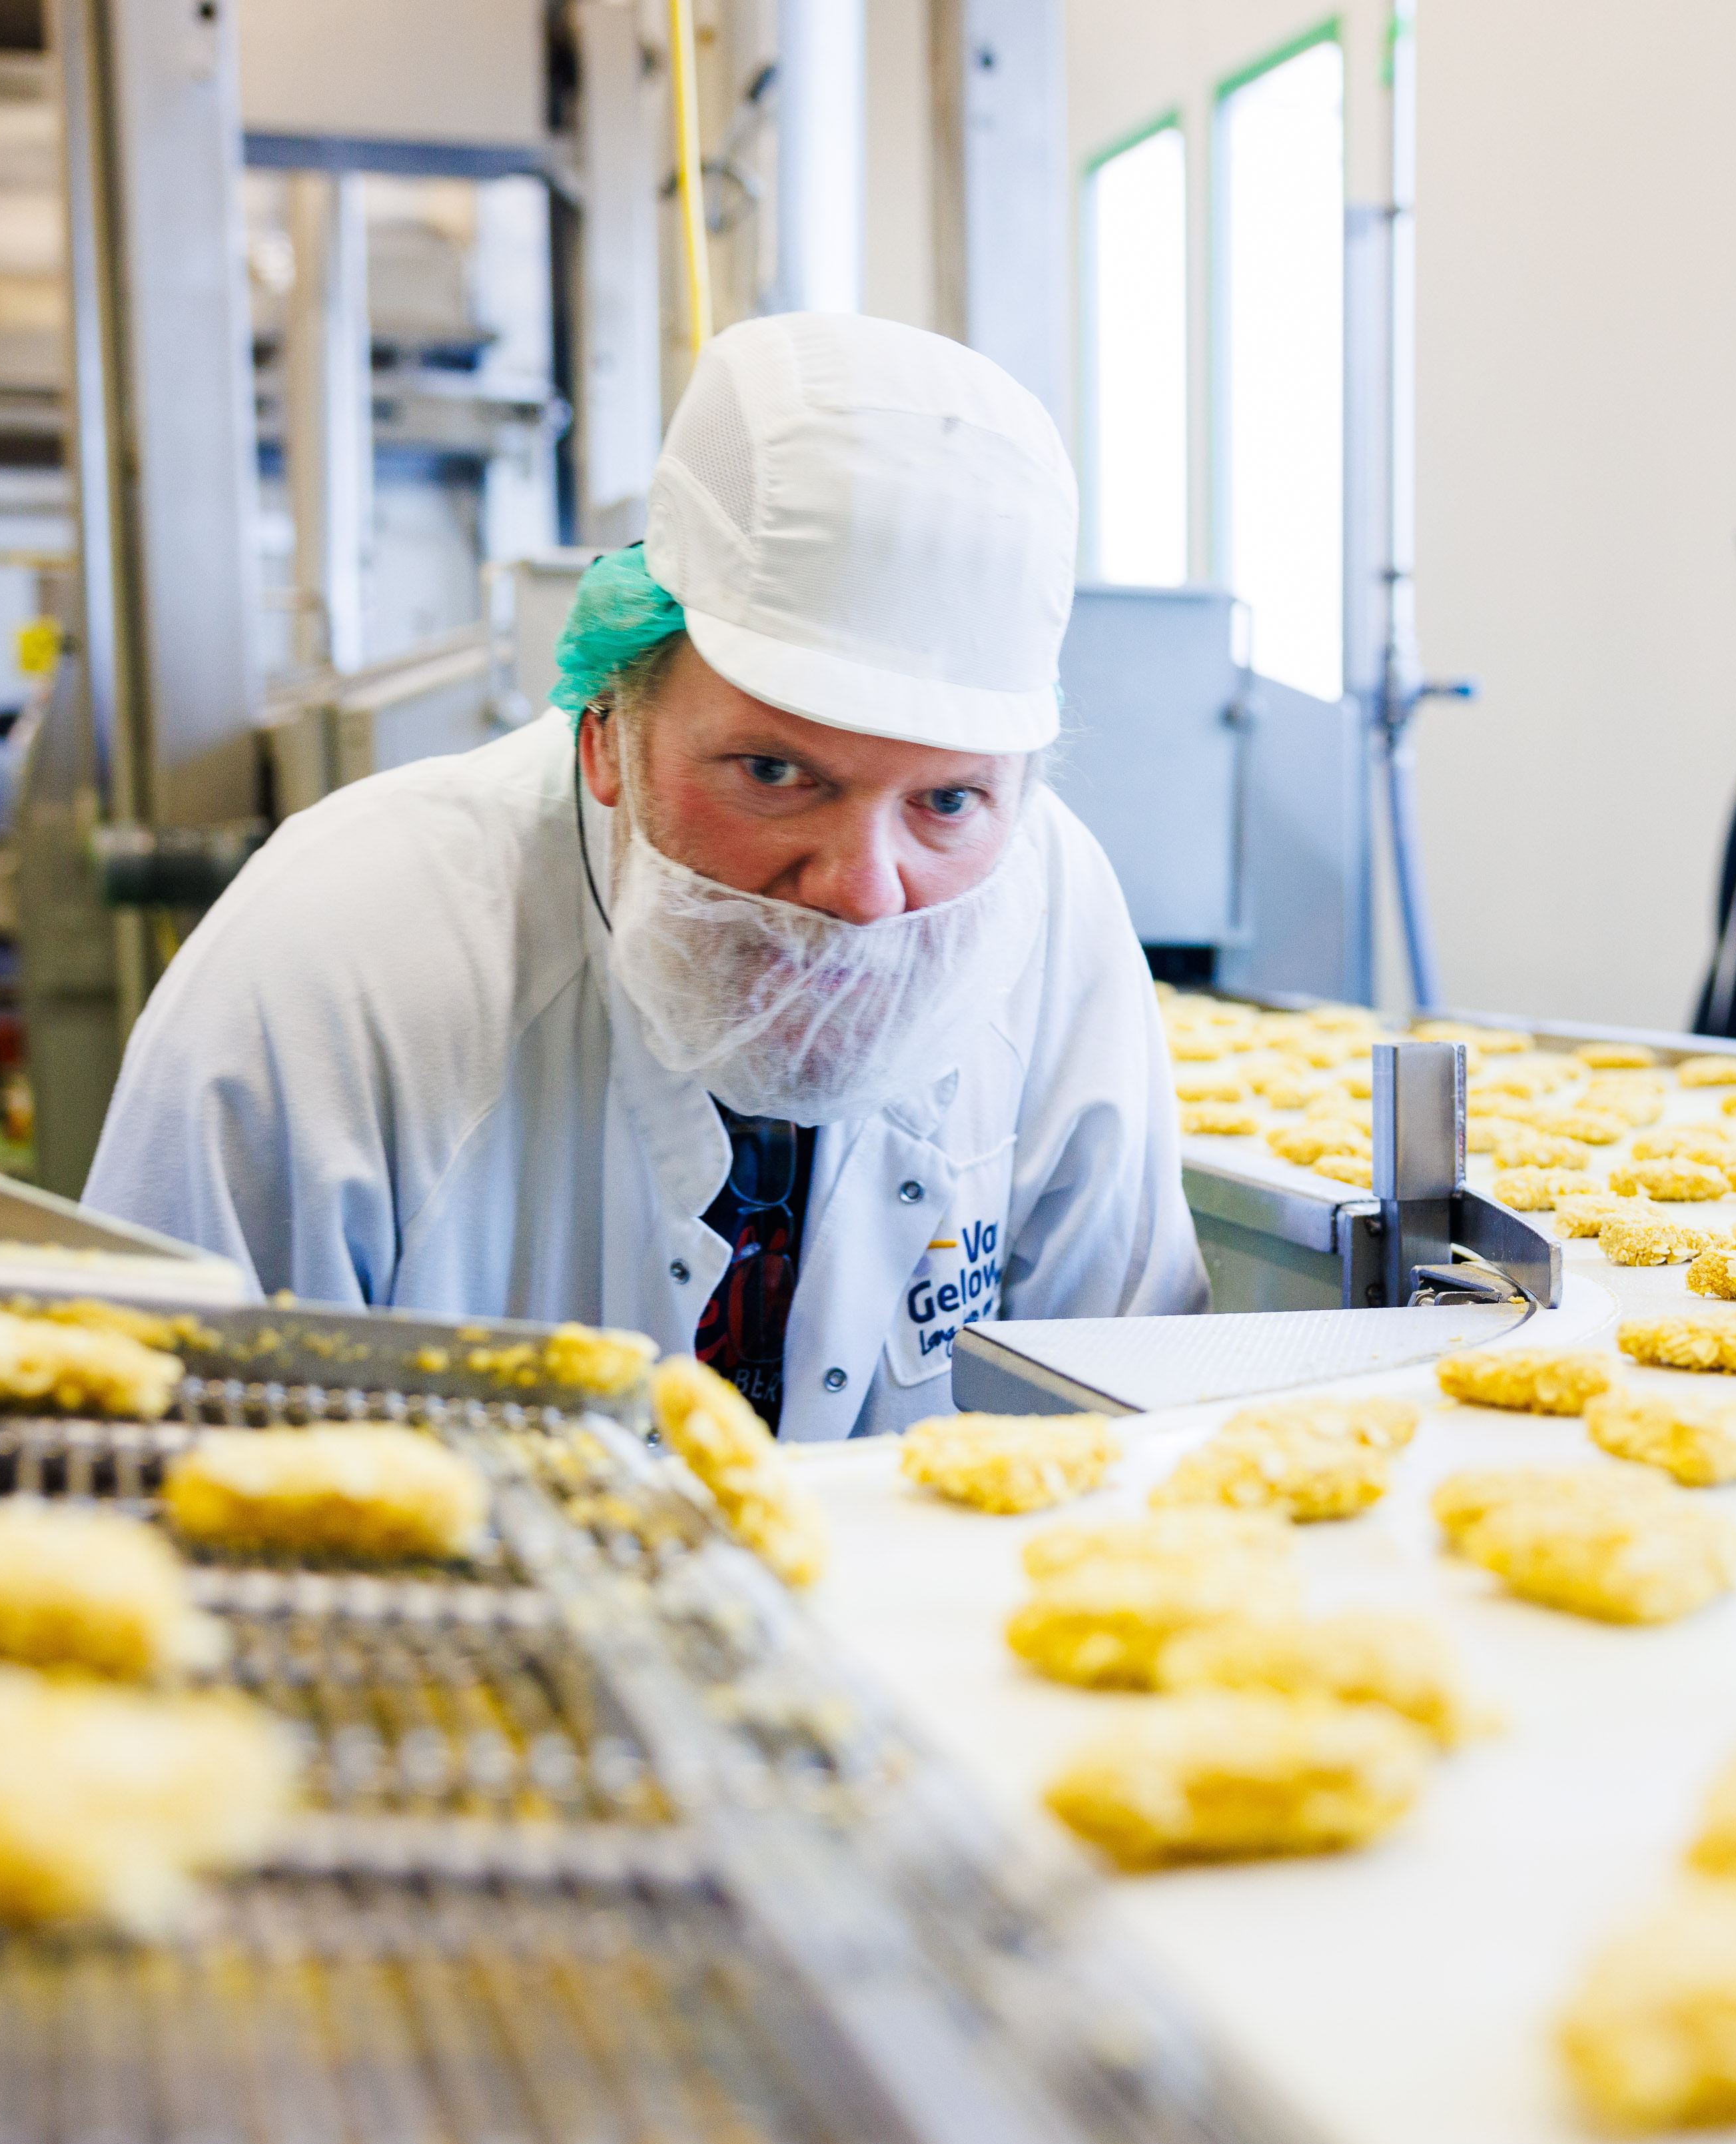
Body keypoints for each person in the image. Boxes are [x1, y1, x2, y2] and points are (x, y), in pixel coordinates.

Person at [83, 312, 1205, 1438]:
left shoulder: (1049, 909)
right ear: (608, 733)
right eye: (775, 773)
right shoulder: (340, 952)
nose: (864, 893)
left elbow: (1131, 1411)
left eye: (948, 802)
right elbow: (153, 1448)